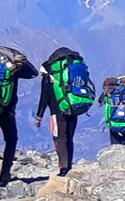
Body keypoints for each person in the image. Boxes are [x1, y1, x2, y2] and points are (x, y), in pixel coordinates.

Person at [0, 47, 37, 188]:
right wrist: (20, 62)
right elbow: (33, 73)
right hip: (7, 110)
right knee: (11, 140)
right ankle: (5, 173)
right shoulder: (12, 69)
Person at [35, 47, 95, 176]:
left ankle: (63, 168)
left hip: (57, 111)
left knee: (59, 138)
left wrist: (39, 116)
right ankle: (69, 165)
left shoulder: (49, 76)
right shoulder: (68, 70)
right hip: (73, 105)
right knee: (69, 138)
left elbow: (44, 96)